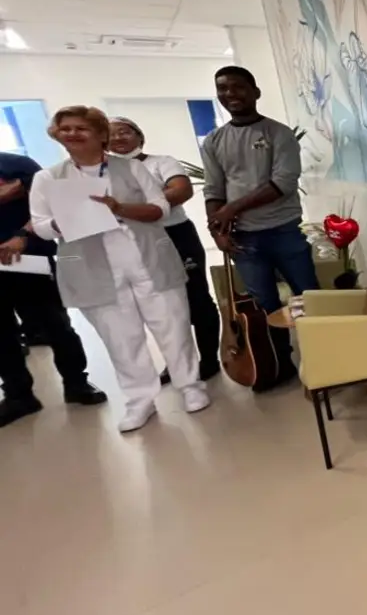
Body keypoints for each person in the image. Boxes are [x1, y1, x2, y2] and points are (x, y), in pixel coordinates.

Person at [26, 106, 210, 433]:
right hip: (92, 268)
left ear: (100, 135)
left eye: (81, 127)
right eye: (65, 128)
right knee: (121, 339)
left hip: (148, 259)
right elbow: (39, 225)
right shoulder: (48, 178)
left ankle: (191, 387)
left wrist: (119, 208)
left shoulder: (132, 168)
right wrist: (64, 220)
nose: (72, 133)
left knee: (173, 326)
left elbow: (160, 207)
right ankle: (140, 401)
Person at [201, 66, 315, 386]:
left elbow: (283, 183)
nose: (230, 94)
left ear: (255, 92)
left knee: (308, 298)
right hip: (244, 240)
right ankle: (277, 365)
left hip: (284, 231)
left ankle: (322, 357)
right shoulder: (214, 141)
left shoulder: (279, 134)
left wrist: (232, 208)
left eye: (238, 87)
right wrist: (218, 231)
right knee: (264, 306)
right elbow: (213, 189)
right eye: (223, 88)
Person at [108, 117, 222, 381]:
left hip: (176, 236)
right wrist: (151, 202)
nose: (118, 138)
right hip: (137, 241)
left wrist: (129, 208)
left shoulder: (161, 162)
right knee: (161, 305)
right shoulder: (104, 172)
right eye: (111, 135)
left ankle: (209, 359)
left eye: (124, 132)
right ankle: (178, 362)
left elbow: (181, 191)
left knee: (197, 298)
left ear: (139, 135)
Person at [0, 151, 107, 426]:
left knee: (55, 325)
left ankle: (77, 384)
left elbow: (49, 207)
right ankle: (18, 396)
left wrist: (22, 235)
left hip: (28, 259)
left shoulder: (18, 165)